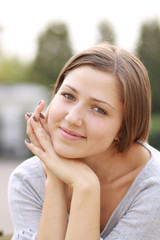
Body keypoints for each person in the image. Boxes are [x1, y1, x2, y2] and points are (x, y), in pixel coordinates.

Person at [8, 42, 160, 240]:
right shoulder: (28, 179)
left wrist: (85, 186)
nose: (72, 118)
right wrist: (55, 180)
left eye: (99, 109)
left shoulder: (153, 189)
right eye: (68, 96)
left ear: (123, 129)